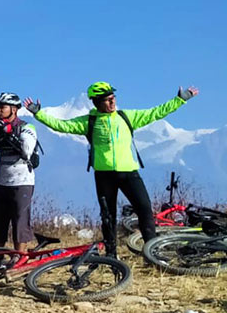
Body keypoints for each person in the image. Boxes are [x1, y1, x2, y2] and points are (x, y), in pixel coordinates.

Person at [25, 82, 198, 256]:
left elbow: (156, 112)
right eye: (107, 100)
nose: (112, 102)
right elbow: (61, 125)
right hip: (104, 175)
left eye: (113, 98)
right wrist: (38, 113)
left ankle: (152, 252)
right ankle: (111, 255)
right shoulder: (89, 121)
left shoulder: (126, 117)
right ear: (97, 102)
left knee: (144, 209)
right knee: (108, 216)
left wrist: (180, 99)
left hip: (129, 172)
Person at [0, 93, 39, 252]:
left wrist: (9, 135)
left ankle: (20, 258)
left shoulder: (27, 128)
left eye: (2, 107)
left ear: (14, 109)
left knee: (20, 224)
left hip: (22, 183)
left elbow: (26, 152)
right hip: (0, 182)